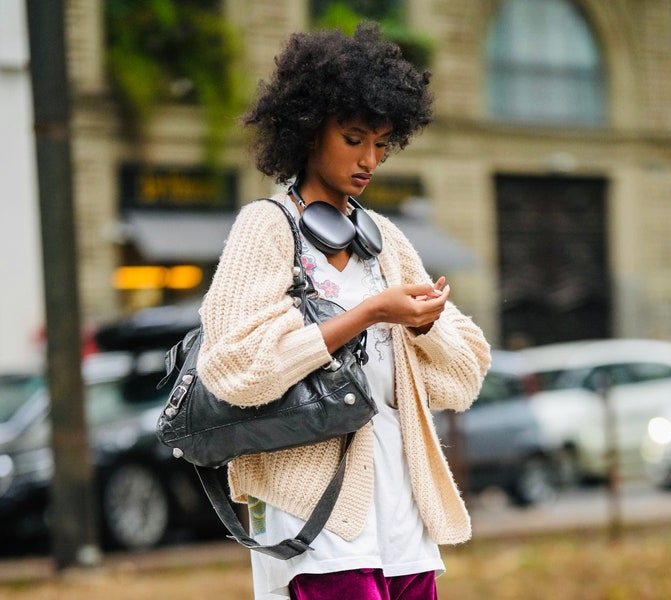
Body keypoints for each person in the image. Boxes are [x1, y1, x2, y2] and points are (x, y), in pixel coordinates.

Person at [197, 22, 491, 600]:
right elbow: (233, 365)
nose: (370, 159)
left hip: (402, 504)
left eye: (382, 143)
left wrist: (425, 325)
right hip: (313, 503)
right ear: (308, 130)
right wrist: (368, 313)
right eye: (354, 138)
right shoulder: (266, 227)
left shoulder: (384, 239)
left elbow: (464, 375)